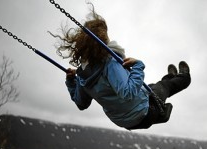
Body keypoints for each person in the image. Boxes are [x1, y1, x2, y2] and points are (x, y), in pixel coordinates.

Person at [53, 10, 191, 130]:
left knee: (152, 87)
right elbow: (128, 92)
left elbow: (81, 103)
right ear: (103, 39)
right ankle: (184, 78)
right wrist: (138, 65)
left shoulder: (83, 76)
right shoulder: (109, 63)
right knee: (163, 87)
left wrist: (71, 82)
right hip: (144, 113)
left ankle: (170, 76)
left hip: (125, 121)